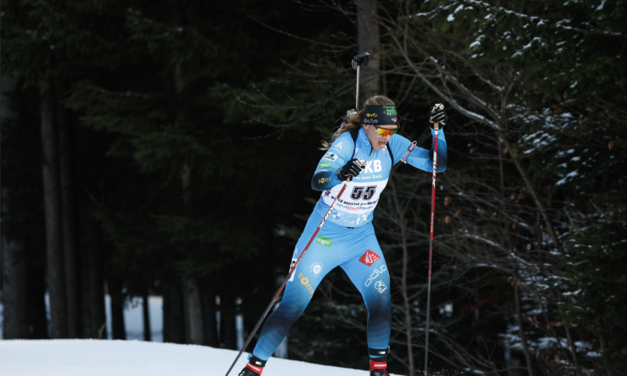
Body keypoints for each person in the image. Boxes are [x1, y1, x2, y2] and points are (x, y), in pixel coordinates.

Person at [239, 96, 448, 376]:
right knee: (292, 306)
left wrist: (438, 132)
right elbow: (318, 179)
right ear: (369, 126)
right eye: (383, 131)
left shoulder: (392, 146)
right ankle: (254, 368)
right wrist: (340, 173)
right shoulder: (347, 144)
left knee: (381, 301)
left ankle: (379, 371)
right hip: (324, 237)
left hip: (361, 238)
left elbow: (437, 164)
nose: (387, 137)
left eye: (392, 131)